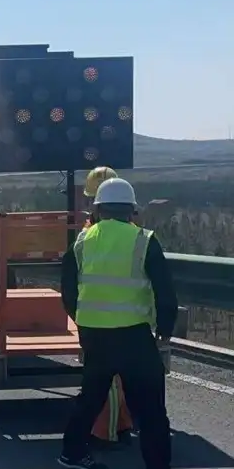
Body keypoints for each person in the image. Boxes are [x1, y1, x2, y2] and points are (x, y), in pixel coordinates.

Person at [58, 177, 188, 469]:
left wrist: (83, 321)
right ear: (132, 210)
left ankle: (72, 453)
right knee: (150, 408)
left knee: (91, 396)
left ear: (97, 209)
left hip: (94, 334)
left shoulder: (82, 241)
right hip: (133, 336)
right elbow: (165, 291)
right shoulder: (143, 240)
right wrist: (164, 330)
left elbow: (68, 291)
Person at [78, 167, 135, 445]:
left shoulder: (88, 235)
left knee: (107, 381)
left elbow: (75, 277)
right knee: (121, 379)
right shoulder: (137, 234)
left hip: (98, 320)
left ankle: (107, 433)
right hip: (132, 318)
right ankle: (120, 425)